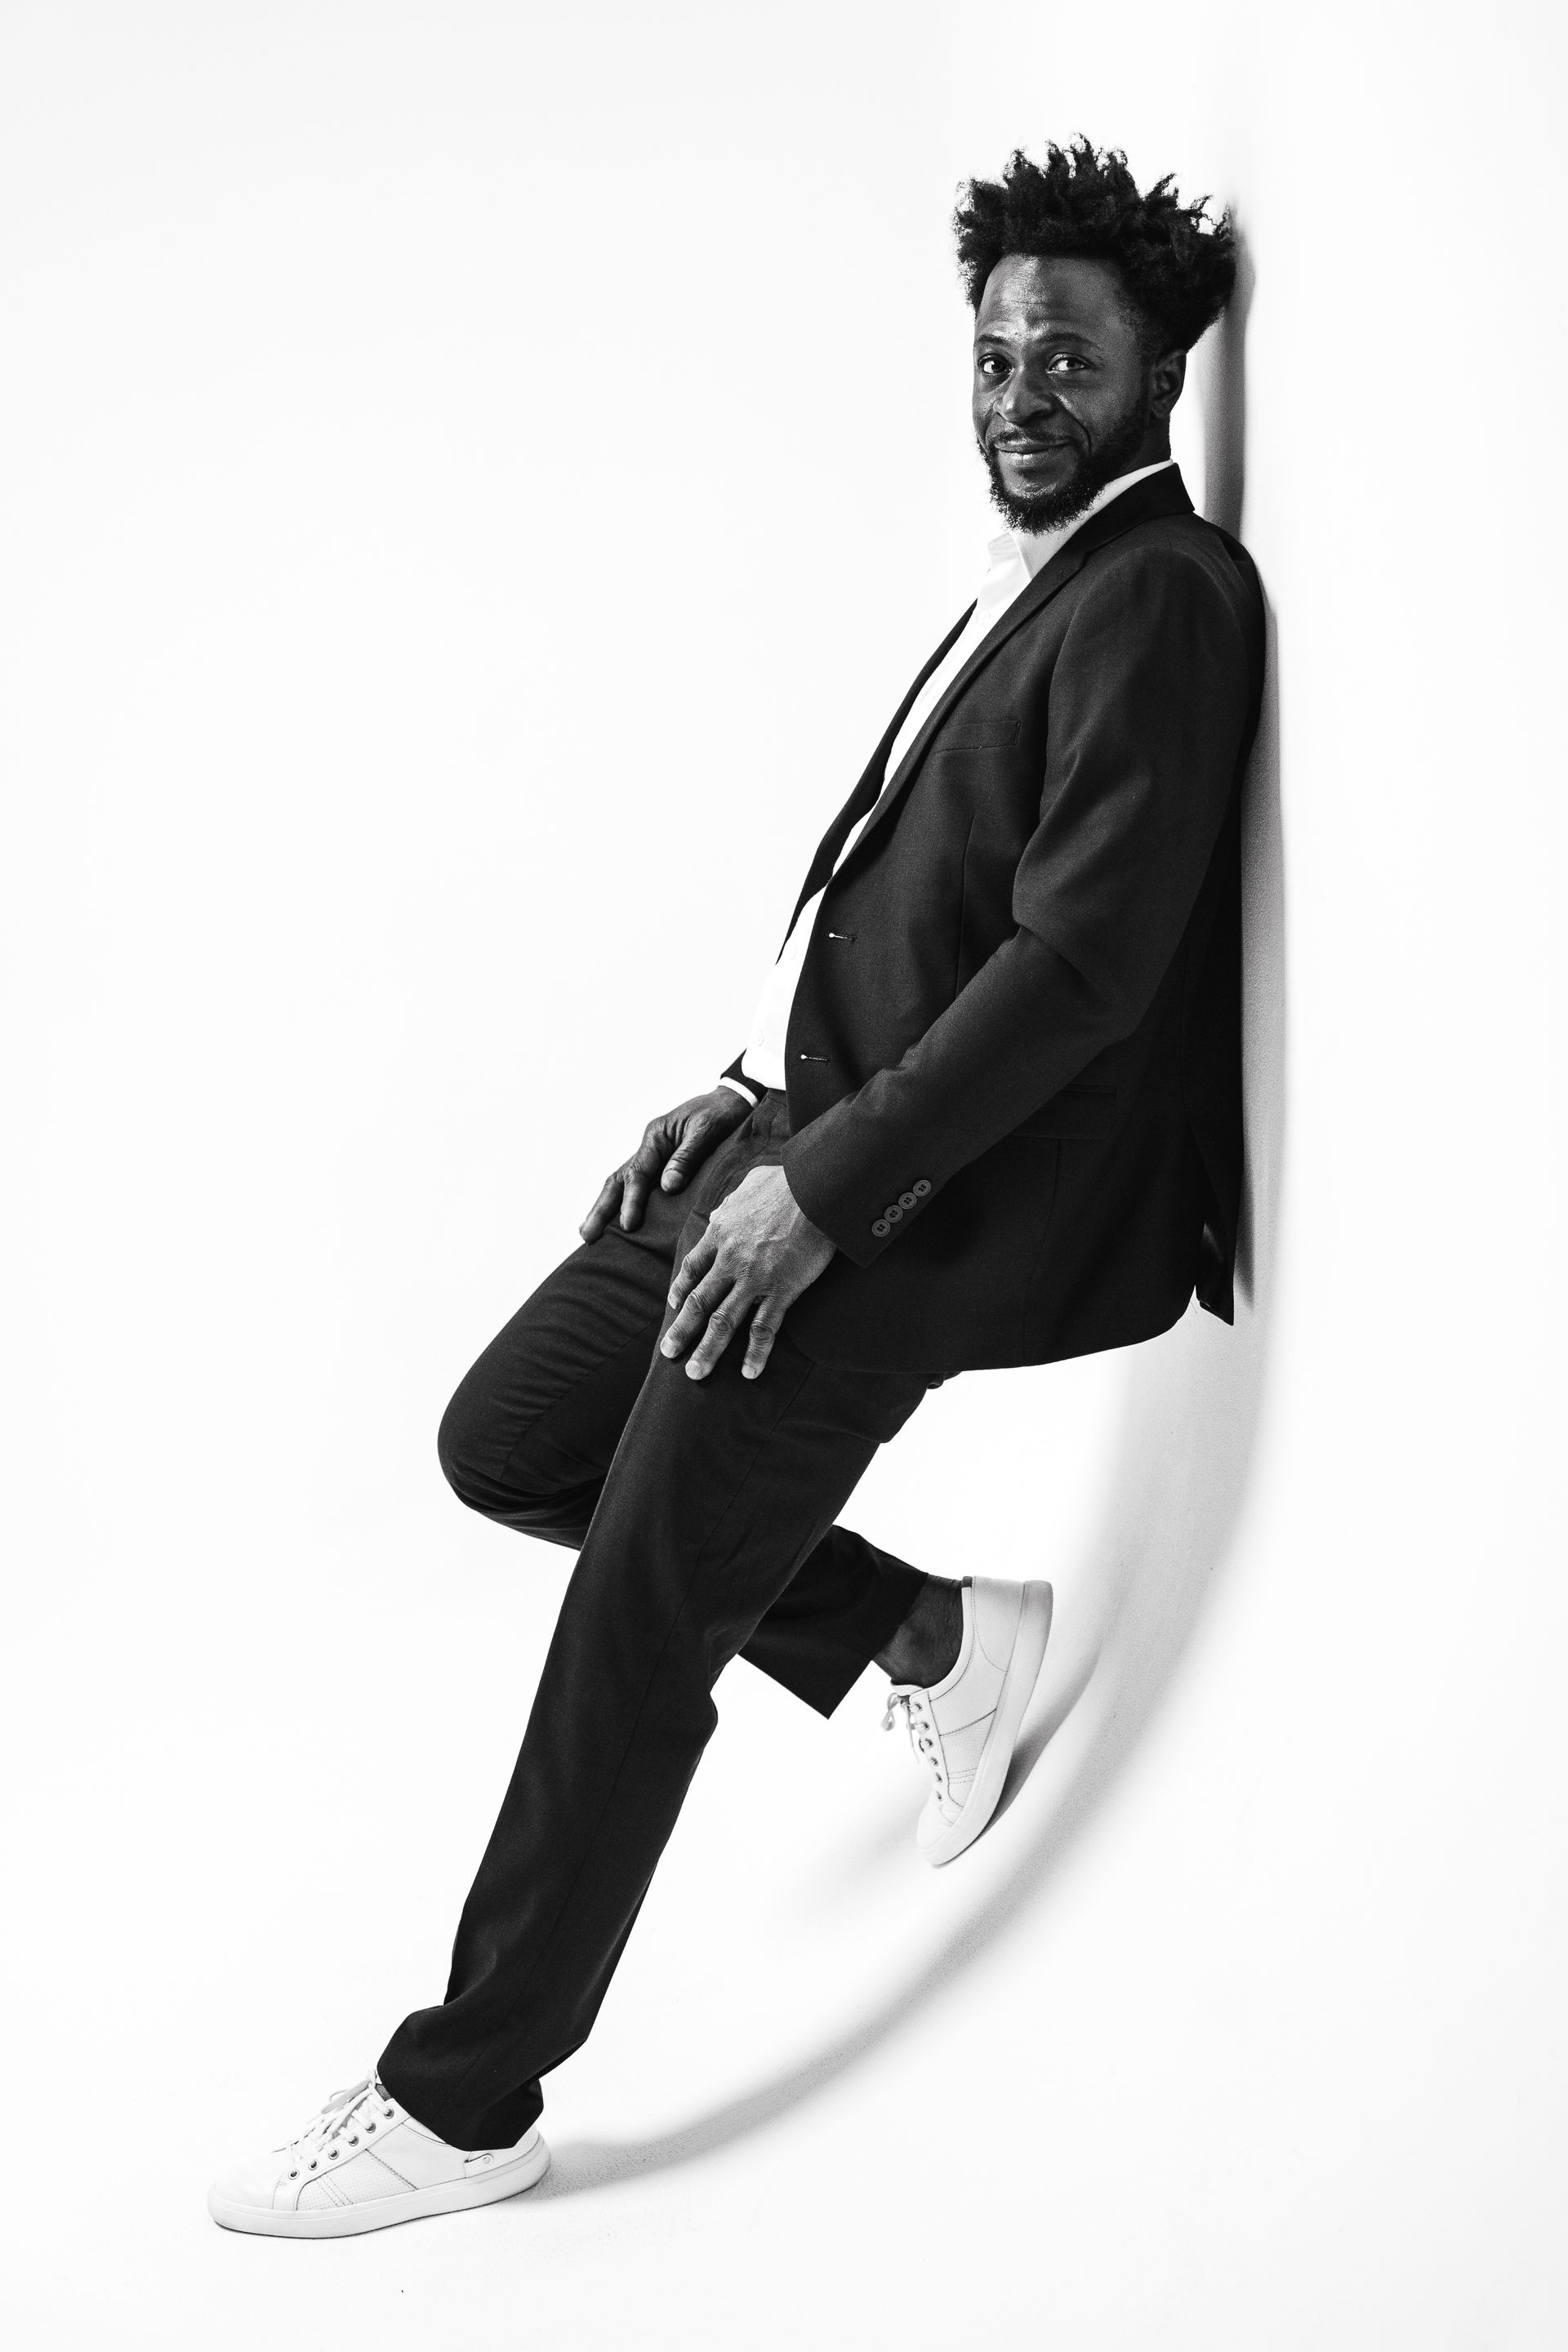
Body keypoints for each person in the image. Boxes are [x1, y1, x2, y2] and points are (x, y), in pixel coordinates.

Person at [208, 138, 1264, 2238]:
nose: (1021, 390)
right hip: (811, 1139)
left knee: (642, 1606)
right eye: (996, 352)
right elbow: (919, 903)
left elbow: (1080, 970)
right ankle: (927, 1634)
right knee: (514, 1440)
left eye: (1069, 355)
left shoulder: (1164, 594)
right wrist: (745, 1095)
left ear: (1161, 373)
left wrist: (826, 1191)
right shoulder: (1042, 576)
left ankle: (462, 2099)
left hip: (928, 1203)